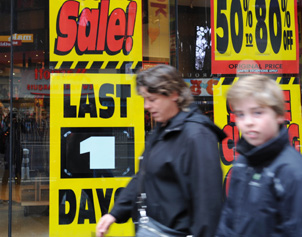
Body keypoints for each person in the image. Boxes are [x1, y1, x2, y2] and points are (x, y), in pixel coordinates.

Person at [96, 64, 226, 237]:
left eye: (152, 99)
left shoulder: (197, 136)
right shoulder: (163, 128)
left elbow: (208, 205)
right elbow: (144, 175)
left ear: (173, 94)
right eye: (144, 99)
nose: (146, 106)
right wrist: (115, 212)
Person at [216, 75, 302, 236]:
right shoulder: (243, 163)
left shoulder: (298, 174)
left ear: (279, 115)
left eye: (257, 112)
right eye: (240, 114)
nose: (248, 122)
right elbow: (228, 222)